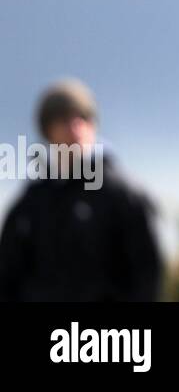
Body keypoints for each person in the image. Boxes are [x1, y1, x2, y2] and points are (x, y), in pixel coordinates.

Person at [0, 78, 162, 301]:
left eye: (84, 118)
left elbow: (146, 277)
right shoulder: (29, 206)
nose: (75, 128)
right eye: (64, 119)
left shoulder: (123, 196)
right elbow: (7, 279)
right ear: (47, 130)